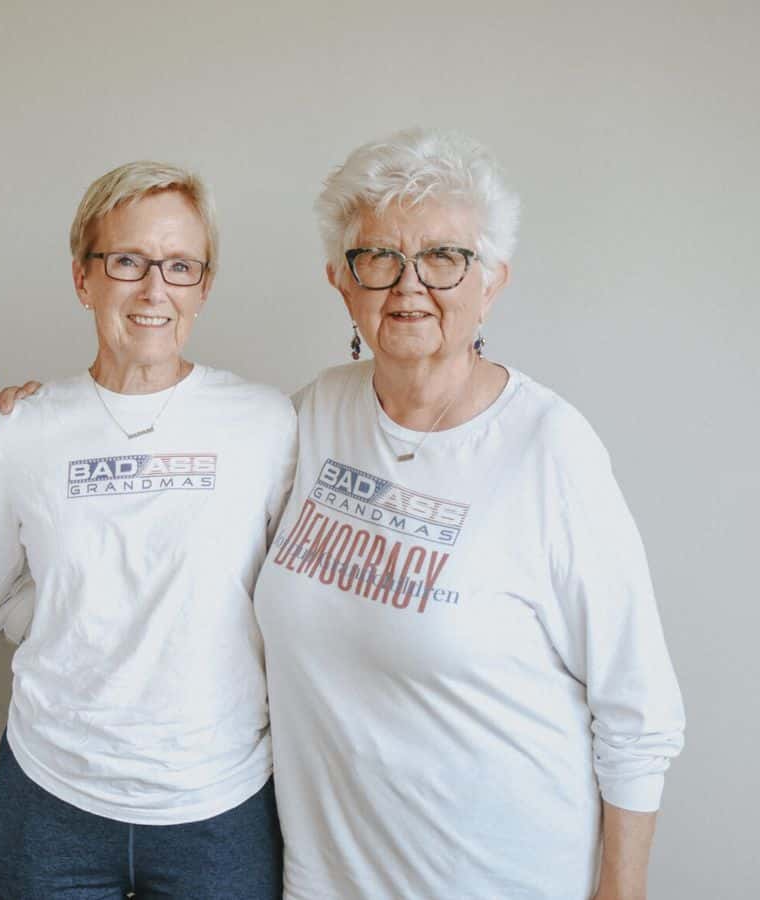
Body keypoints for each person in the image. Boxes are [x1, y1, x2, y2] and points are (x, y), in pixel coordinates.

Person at [253, 127, 686, 899]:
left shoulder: (549, 448)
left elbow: (637, 708)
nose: (409, 286)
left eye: (444, 257)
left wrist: (621, 892)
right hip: (326, 882)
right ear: (341, 282)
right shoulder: (315, 416)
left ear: (492, 282)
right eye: (378, 257)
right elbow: (187, 490)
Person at [0, 161, 295, 899]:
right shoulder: (21, 429)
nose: (154, 289)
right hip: (52, 797)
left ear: (204, 287)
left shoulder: (267, 425)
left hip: (220, 800)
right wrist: (79, 623)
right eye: (127, 262)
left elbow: (291, 602)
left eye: (180, 266)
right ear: (84, 279)